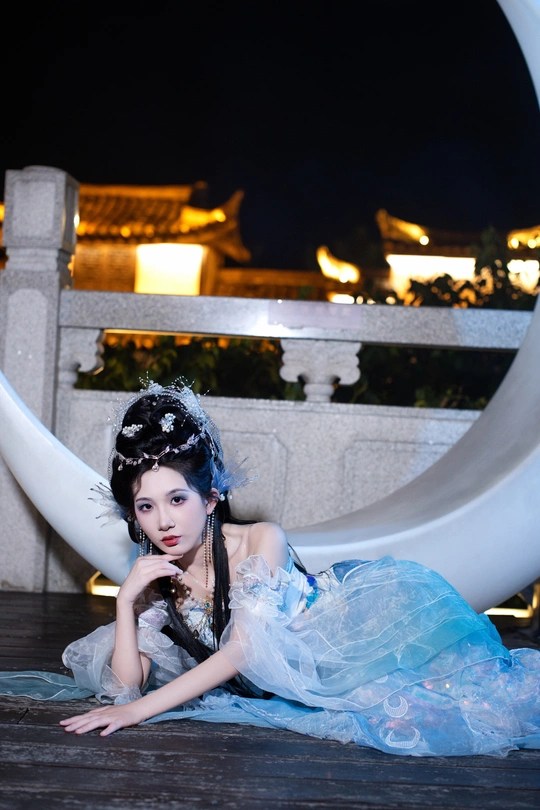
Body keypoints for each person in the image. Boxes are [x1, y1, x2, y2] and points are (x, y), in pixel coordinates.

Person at [3, 380, 540, 756]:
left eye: (177, 499)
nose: (163, 520)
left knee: (466, 705)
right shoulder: (154, 574)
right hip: (275, 690)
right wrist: (125, 603)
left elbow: (243, 650)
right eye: (146, 506)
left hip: (346, 653)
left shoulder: (262, 541)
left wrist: (138, 713)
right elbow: (125, 687)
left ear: (211, 497)